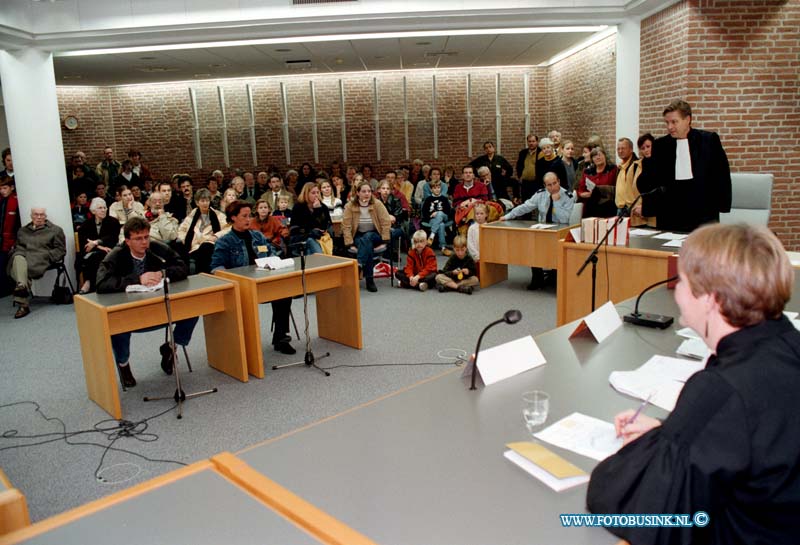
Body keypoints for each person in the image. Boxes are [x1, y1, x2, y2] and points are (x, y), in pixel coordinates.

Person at [587, 223, 800, 545]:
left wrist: (662, 446)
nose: (675, 291)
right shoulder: (788, 345)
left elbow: (624, 499)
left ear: (710, 299)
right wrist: (672, 433)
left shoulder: (720, 389)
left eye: (682, 281)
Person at [96, 217, 199, 387]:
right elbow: (101, 283)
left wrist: (163, 273)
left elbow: (182, 266)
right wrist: (137, 279)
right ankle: (123, 364)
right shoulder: (116, 254)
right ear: (127, 241)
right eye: (138, 238)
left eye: (146, 237)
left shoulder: (155, 247)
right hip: (130, 311)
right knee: (116, 325)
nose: (144, 242)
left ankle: (171, 348)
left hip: (160, 305)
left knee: (192, 307)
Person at [211, 201, 295, 355]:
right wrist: (233, 278)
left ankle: (281, 337)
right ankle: (246, 342)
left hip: (263, 281)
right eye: (244, 216)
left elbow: (270, 253)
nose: (248, 219)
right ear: (233, 218)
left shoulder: (257, 236)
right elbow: (216, 268)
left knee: (284, 292)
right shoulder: (225, 241)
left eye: (249, 215)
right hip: (241, 287)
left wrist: (275, 261)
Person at [637, 100, 732, 232]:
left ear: (687, 119)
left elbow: (721, 176)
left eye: (674, 122)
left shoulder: (708, 140)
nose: (669, 127)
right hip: (671, 215)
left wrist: (721, 206)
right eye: (667, 122)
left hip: (703, 215)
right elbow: (650, 183)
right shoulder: (661, 145)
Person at [500, 172, 575, 290]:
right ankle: (537, 278)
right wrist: (509, 216)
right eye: (549, 185)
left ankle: (554, 276)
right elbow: (526, 206)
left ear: (559, 181)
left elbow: (564, 219)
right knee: (532, 246)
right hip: (543, 229)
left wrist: (556, 202)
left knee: (555, 250)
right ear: (545, 185)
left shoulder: (568, 196)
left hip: (561, 230)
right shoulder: (541, 194)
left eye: (554, 183)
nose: (552, 187)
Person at [8, 207, 67, 318]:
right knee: (17, 258)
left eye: (41, 215)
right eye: (36, 214)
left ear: (45, 216)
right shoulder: (23, 230)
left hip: (41, 258)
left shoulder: (55, 230)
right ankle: (22, 286)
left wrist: (48, 256)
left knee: (21, 269)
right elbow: (17, 247)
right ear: (31, 216)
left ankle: (23, 302)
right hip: (23, 257)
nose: (39, 217)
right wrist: (16, 252)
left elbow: (61, 250)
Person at [341, 181, 392, 293]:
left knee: (368, 237)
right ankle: (370, 280)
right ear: (358, 193)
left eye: (369, 191)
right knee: (366, 245)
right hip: (358, 235)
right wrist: (349, 243)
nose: (367, 194)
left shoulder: (377, 204)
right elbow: (346, 226)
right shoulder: (350, 206)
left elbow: (385, 222)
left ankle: (359, 264)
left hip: (376, 234)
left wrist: (385, 240)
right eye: (363, 191)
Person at [176, 188, 227, 274]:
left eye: (207, 201)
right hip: (194, 247)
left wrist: (216, 236)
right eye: (202, 201)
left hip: (210, 245)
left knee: (206, 246)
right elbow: (181, 230)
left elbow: (228, 228)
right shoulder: (192, 216)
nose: (205, 203)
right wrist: (184, 239)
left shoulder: (217, 215)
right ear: (197, 202)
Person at [77, 197, 120, 294]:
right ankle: (94, 283)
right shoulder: (86, 224)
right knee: (94, 256)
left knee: (98, 256)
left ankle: (89, 282)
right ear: (93, 211)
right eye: (100, 208)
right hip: (92, 251)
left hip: (110, 249)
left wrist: (96, 242)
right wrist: (99, 246)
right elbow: (84, 241)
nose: (103, 210)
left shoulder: (113, 222)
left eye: (105, 208)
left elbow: (112, 237)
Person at [289, 182, 332, 256]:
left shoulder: (323, 207)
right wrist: (310, 231)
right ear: (306, 194)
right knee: (310, 241)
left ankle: (315, 265)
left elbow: (325, 225)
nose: (316, 195)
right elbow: (296, 228)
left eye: (318, 192)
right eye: (313, 193)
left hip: (319, 237)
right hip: (301, 237)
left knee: (309, 251)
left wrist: (318, 210)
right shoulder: (298, 207)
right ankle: (322, 260)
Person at [576, 147, 619, 218]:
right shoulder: (587, 172)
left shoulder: (613, 169)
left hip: (608, 206)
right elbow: (581, 190)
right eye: (594, 156)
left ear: (605, 156)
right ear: (592, 159)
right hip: (591, 206)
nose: (597, 157)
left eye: (600, 155)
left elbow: (617, 187)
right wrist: (584, 194)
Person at [0, 176, 20, 297]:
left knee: (5, 265)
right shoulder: (1, 200)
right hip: (2, 238)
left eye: (4, 188)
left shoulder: (16, 202)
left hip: (10, 240)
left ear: (11, 187)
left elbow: (18, 225)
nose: (2, 191)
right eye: (0, 188)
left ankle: (7, 290)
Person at [420, 179, 453, 255]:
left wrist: (438, 213)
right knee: (441, 225)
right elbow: (424, 213)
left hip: (444, 217)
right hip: (432, 219)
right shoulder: (428, 199)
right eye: (435, 188)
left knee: (440, 213)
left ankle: (432, 234)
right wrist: (431, 215)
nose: (437, 190)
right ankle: (443, 247)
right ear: (431, 189)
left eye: (438, 188)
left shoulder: (444, 199)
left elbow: (448, 211)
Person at [613, 137, 639, 217]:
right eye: (618, 149)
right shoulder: (620, 166)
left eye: (623, 148)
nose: (620, 151)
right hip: (620, 209)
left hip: (632, 209)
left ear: (631, 149)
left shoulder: (636, 166)